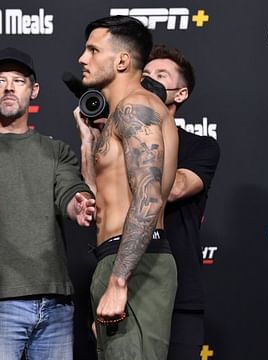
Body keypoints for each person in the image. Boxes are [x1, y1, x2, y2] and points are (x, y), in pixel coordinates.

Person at [0, 47, 96, 360]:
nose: (8, 87)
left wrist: (79, 206)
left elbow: (69, 194)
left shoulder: (55, 150)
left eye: (18, 81)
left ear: (34, 90)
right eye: (0, 81)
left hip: (56, 301)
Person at [73, 16, 179, 359]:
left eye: (92, 50)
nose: (82, 59)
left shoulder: (138, 107)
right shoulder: (117, 116)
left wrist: (118, 282)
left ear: (122, 60)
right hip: (115, 261)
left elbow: (148, 197)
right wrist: (88, 143)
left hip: (135, 266)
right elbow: (102, 192)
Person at [143, 44, 220, 360]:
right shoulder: (116, 141)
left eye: (160, 76)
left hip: (180, 295)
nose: (149, 82)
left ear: (181, 94)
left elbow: (172, 189)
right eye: (144, 75)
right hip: (126, 289)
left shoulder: (202, 147)